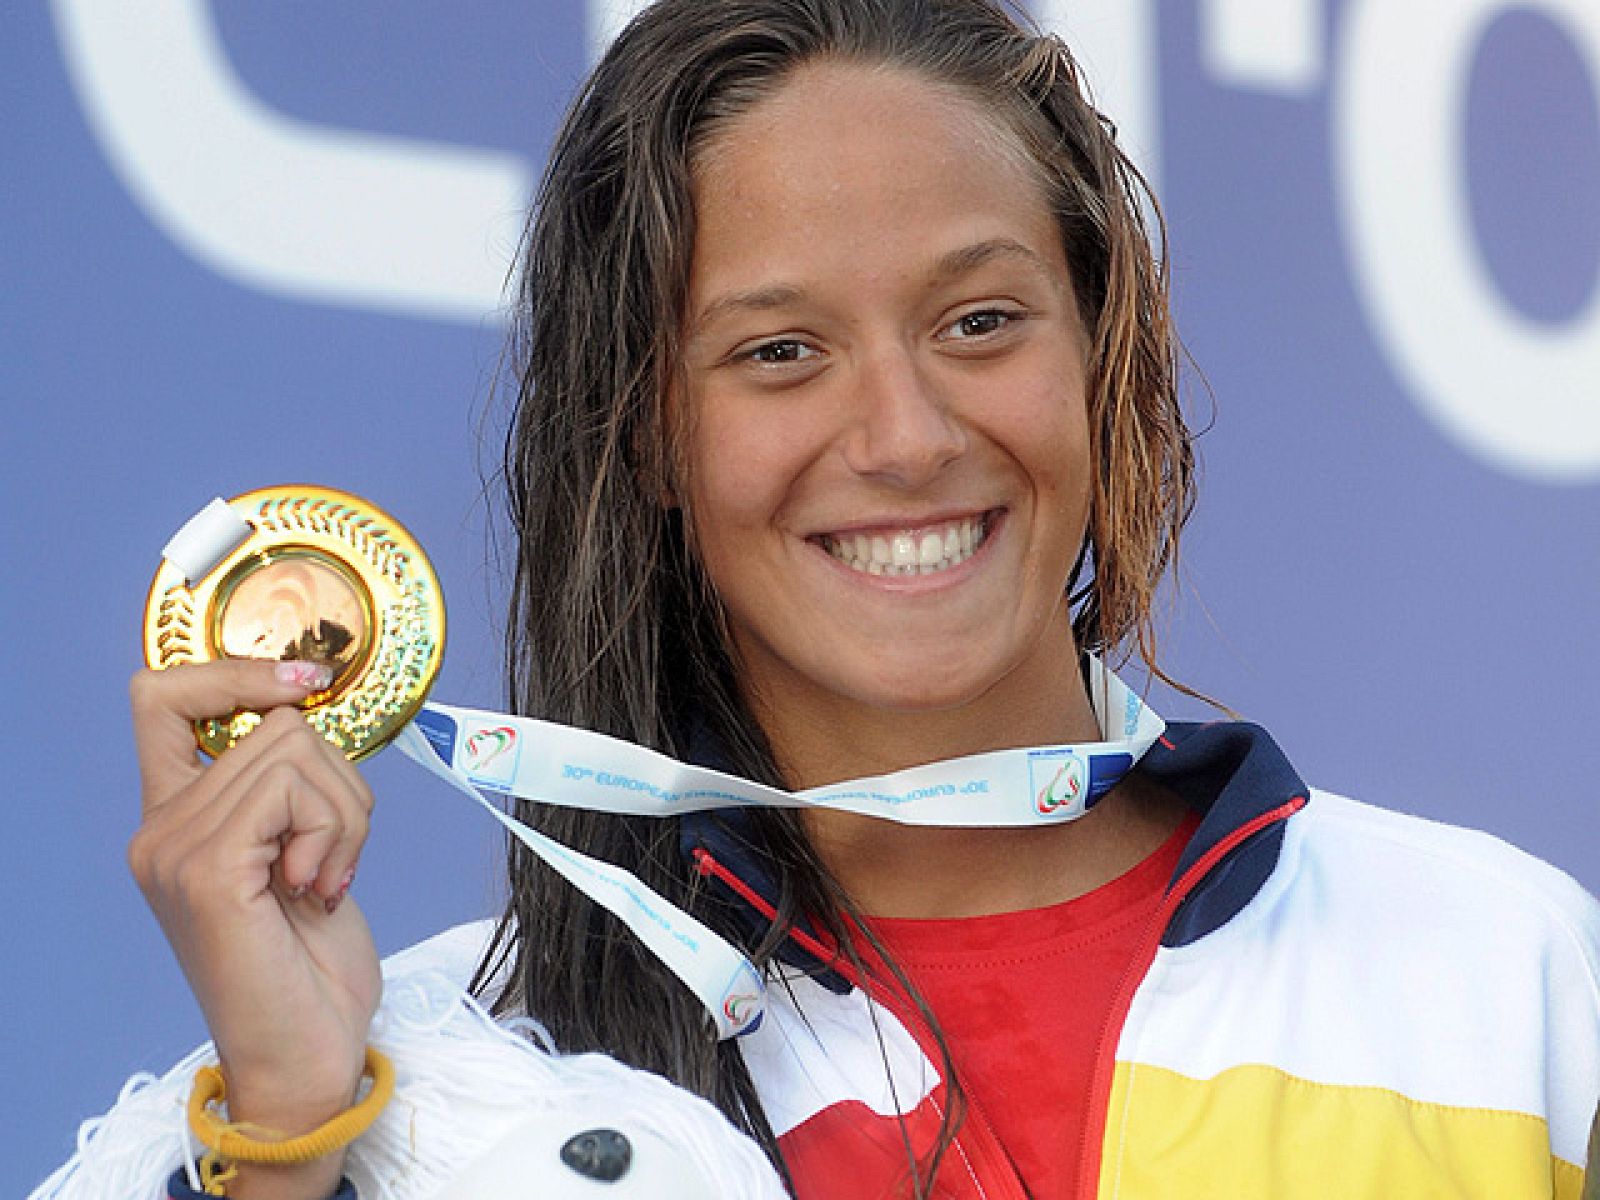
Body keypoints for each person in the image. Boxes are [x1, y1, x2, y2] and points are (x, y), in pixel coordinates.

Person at [54, 1, 1600, 1197]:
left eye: (982, 320)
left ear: (1097, 350)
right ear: (648, 431)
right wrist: (285, 1129)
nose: (909, 435)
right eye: (780, 351)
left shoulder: (1496, 972)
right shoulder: (452, 1081)